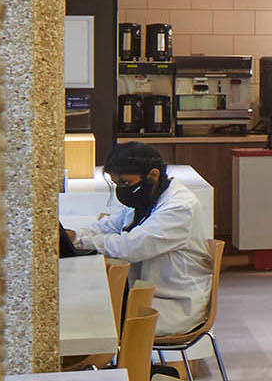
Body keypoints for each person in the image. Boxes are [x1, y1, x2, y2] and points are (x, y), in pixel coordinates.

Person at [65, 143, 216, 335]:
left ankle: (119, 363)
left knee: (84, 322)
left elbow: (130, 248)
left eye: (126, 183)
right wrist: (76, 235)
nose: (122, 190)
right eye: (117, 184)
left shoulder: (179, 207)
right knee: (83, 311)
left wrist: (80, 241)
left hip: (172, 305)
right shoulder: (148, 198)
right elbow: (110, 226)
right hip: (146, 296)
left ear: (153, 175)